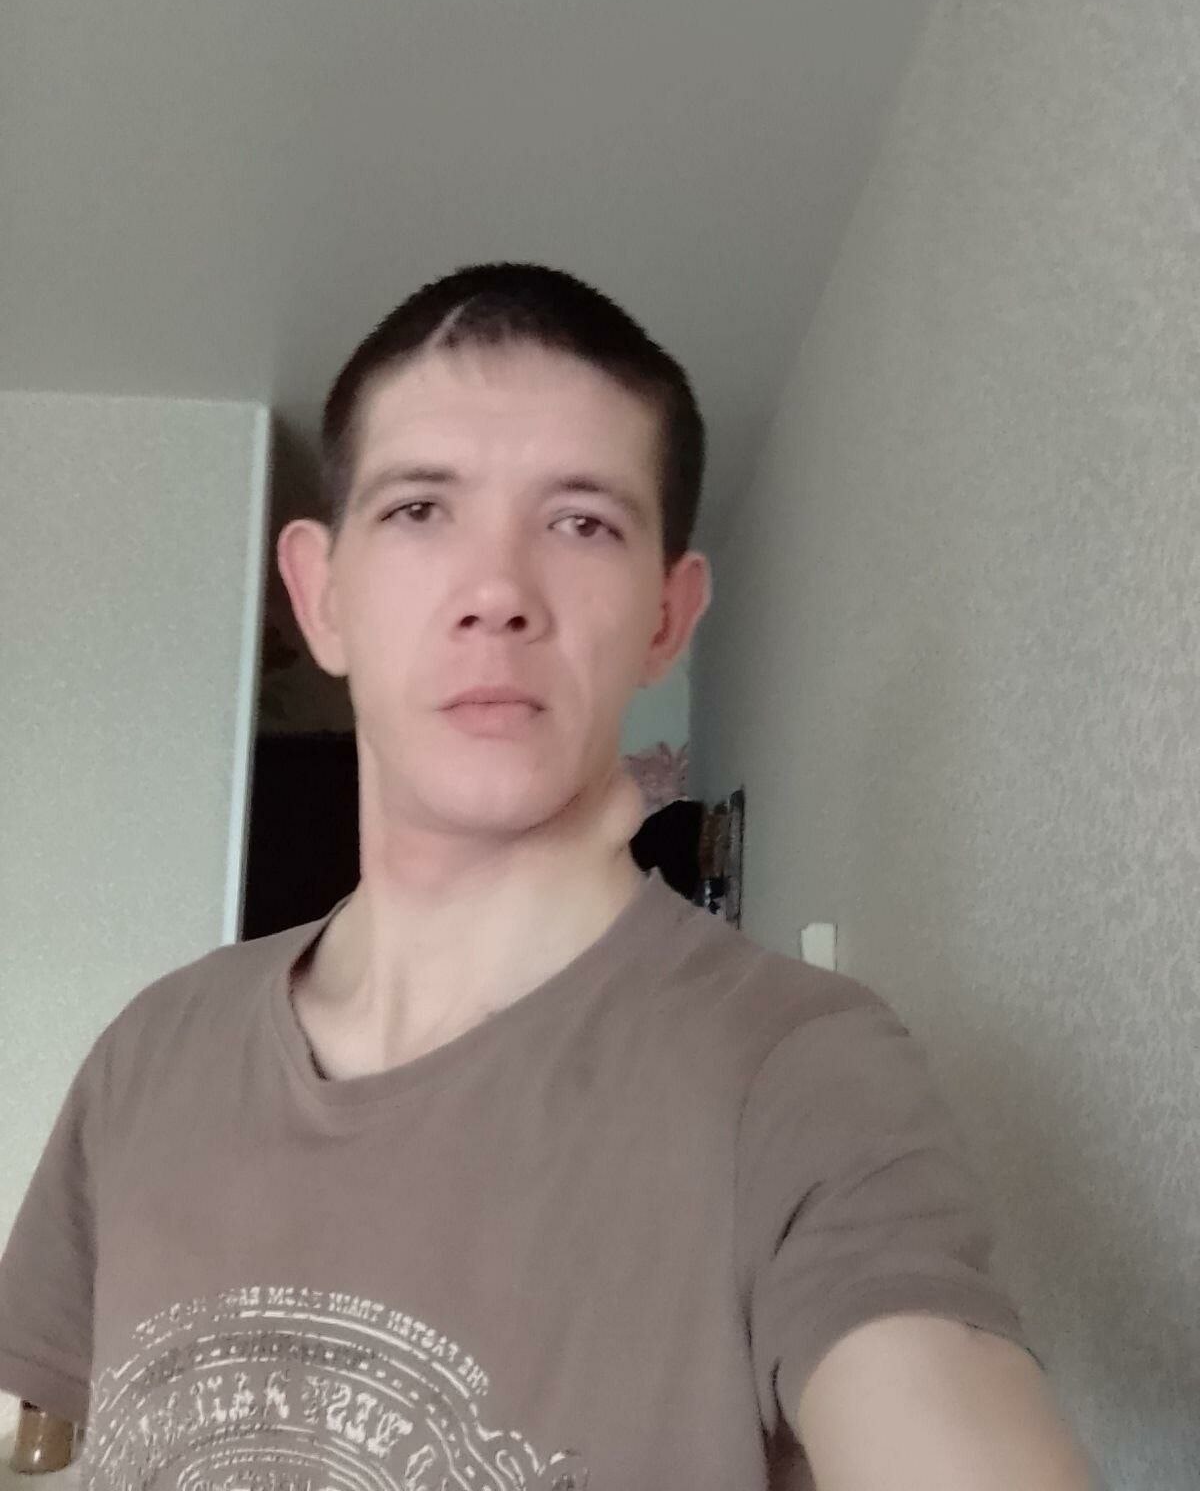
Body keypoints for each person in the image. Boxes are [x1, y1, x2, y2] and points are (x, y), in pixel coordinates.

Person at [0, 264, 1095, 1489]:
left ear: (667, 617)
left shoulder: (802, 1072)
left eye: (581, 522)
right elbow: (38, 1440)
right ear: (321, 595)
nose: (498, 595)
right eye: (421, 509)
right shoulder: (150, 1051)